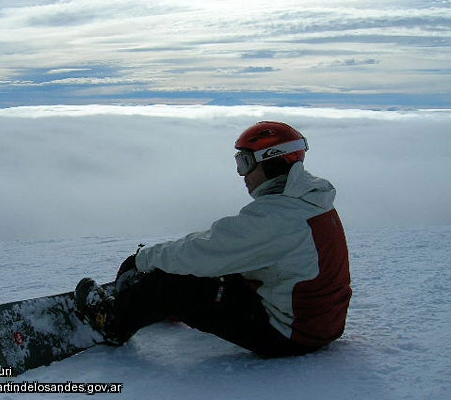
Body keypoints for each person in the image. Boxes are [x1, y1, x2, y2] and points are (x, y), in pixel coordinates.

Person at [75, 121, 352, 358]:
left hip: (291, 334)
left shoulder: (276, 217)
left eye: (245, 163)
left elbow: (202, 251)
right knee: (213, 269)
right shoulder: (309, 200)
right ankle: (158, 305)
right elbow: (223, 247)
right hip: (318, 324)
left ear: (269, 162)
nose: (242, 175)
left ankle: (111, 323)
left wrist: (141, 259)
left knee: (175, 281)